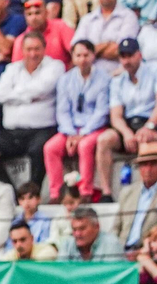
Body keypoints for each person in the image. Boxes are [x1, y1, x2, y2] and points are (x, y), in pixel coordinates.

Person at [43, 39, 112, 203]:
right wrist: (71, 133)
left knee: (85, 145)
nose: (82, 59)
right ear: (73, 58)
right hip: (71, 129)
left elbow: (101, 111)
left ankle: (85, 191)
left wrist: (84, 133)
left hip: (94, 127)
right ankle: (56, 192)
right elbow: (63, 110)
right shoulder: (65, 80)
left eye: (86, 55)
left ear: (93, 56)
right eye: (78, 55)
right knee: (50, 148)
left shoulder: (104, 79)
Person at [0, 32, 65, 186]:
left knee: (38, 150)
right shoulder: (12, 69)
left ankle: (33, 193)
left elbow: (42, 89)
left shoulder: (55, 66)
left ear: (44, 49)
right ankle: (10, 191)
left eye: (37, 49)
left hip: (42, 129)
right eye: (29, 49)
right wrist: (30, 96)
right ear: (22, 51)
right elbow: (0, 95)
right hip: (12, 132)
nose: (33, 54)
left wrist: (14, 95)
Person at [114, 143, 157, 251]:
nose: (148, 169)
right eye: (144, 164)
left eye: (153, 164)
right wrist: (114, 248)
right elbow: (116, 226)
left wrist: (146, 249)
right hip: (121, 251)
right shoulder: (127, 192)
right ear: (139, 168)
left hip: (150, 251)